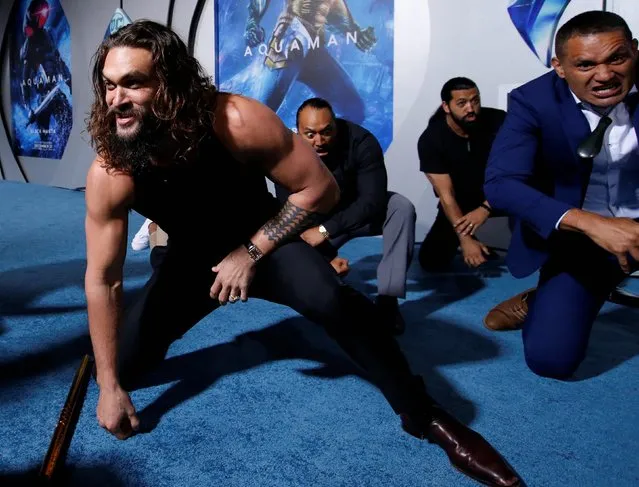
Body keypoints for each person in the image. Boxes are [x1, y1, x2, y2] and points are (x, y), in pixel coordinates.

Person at [83, 21, 520, 487]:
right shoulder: (113, 168)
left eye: (133, 83)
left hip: (263, 240)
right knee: (121, 367)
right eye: (109, 85)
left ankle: (426, 415)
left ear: (171, 84)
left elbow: (320, 189)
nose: (116, 99)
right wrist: (110, 387)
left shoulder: (235, 120)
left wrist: (250, 252)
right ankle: (136, 323)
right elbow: (103, 278)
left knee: (333, 300)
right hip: (191, 261)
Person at [483, 11, 639, 379]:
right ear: (560, 66)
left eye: (617, 58)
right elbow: (501, 184)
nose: (604, 75)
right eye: (585, 64)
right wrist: (593, 225)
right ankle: (541, 301)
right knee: (550, 360)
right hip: (582, 234)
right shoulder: (532, 101)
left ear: (634, 50)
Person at [276, 98, 415, 335]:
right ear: (298, 132)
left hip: (357, 214)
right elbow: (288, 210)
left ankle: (388, 301)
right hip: (316, 219)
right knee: (297, 249)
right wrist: (323, 257)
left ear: (336, 125)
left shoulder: (362, 141)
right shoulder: (287, 152)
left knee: (400, 207)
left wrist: (325, 231)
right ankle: (334, 291)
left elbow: (372, 200)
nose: (319, 141)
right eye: (310, 134)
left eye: (326, 132)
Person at [417, 78, 506, 271]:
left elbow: (517, 173)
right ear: (446, 106)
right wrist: (465, 239)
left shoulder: (499, 122)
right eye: (462, 103)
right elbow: (446, 195)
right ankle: (476, 245)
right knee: (431, 261)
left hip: (503, 194)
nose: (470, 108)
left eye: (475, 101)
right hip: (463, 201)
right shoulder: (431, 139)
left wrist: (485, 208)